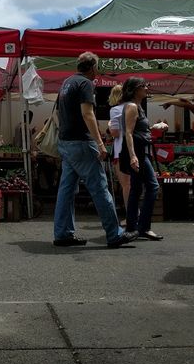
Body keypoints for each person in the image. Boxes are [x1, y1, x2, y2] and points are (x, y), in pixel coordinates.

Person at [52, 52, 136, 249]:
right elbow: (88, 114)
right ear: (93, 68)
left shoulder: (66, 83)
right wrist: (99, 143)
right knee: (99, 187)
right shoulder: (85, 84)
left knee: (66, 189)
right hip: (81, 142)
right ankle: (114, 234)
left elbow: (58, 112)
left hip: (66, 142)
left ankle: (62, 233)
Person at [119, 76, 163, 241]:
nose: (147, 88)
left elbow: (137, 130)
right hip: (138, 152)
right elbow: (128, 133)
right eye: (144, 86)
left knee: (136, 189)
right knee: (152, 186)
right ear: (136, 89)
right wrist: (133, 156)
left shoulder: (137, 106)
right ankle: (143, 226)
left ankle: (133, 227)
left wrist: (154, 128)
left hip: (141, 150)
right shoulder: (131, 106)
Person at [106, 85, 130, 214]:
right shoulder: (134, 108)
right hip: (135, 150)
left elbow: (115, 133)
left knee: (126, 185)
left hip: (121, 150)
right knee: (133, 185)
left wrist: (110, 126)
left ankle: (131, 216)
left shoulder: (115, 110)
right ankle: (135, 214)